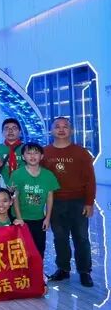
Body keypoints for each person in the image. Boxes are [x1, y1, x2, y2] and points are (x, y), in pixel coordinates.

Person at [42, 117, 96, 287]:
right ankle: (63, 269)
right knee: (60, 238)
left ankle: (84, 271)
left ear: (71, 131)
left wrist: (89, 203)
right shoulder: (45, 153)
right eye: (57, 126)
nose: (61, 129)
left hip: (78, 202)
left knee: (81, 237)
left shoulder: (81, 153)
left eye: (65, 126)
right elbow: (41, 178)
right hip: (56, 202)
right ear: (51, 131)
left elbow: (90, 180)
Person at [10, 143, 59, 260]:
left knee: (39, 249)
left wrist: (47, 218)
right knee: (20, 250)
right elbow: (15, 197)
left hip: (38, 219)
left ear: (41, 156)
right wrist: (19, 218)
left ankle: (37, 270)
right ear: (23, 157)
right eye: (29, 153)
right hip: (21, 219)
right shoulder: (17, 174)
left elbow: (50, 197)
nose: (32, 156)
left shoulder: (48, 175)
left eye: (36, 153)